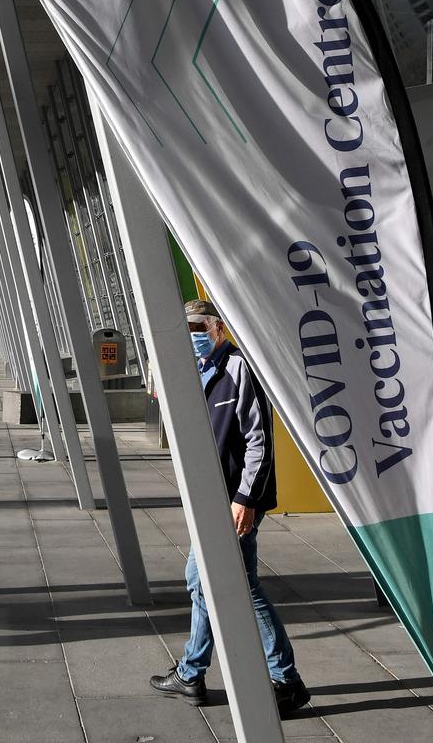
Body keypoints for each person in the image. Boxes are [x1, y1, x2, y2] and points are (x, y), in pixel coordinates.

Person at [149, 299, 310, 715]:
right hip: (209, 500)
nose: (191, 336)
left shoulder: (239, 368)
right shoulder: (195, 371)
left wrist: (246, 500)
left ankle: (284, 679)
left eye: (197, 327)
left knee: (240, 588)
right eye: (184, 328)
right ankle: (191, 673)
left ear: (216, 326)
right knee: (201, 582)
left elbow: (260, 441)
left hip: (234, 502)